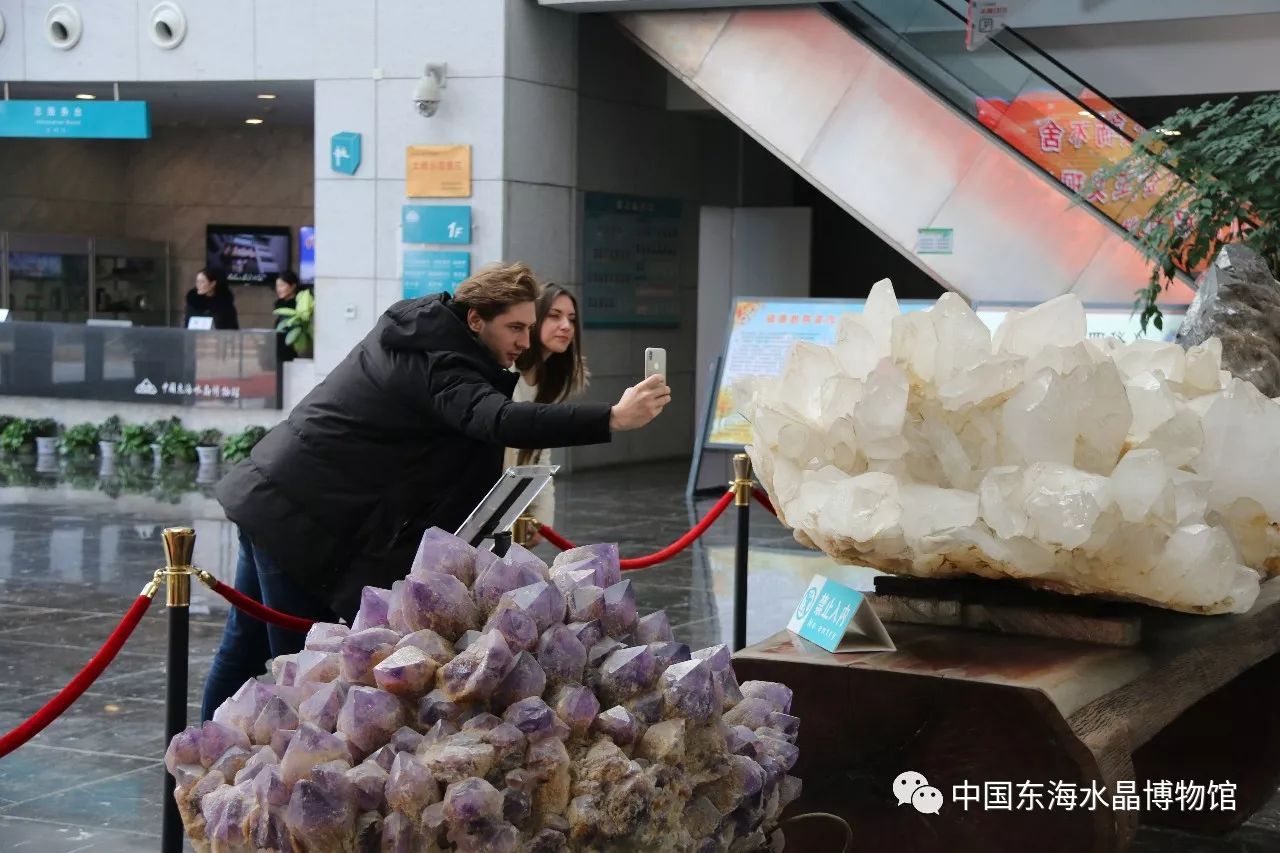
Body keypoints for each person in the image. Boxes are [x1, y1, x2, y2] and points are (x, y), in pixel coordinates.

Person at [201, 262, 670, 719]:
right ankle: (270, 787)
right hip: (296, 515)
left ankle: (185, 783)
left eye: (529, 328)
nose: (524, 342)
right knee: (306, 672)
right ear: (475, 318)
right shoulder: (441, 359)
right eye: (515, 328)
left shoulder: (430, 340)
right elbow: (497, 420)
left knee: (244, 648)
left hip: (276, 495)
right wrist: (612, 417)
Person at [503, 283, 588, 543]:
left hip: (512, 504)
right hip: (487, 505)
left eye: (571, 319)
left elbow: (540, 454)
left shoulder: (550, 381)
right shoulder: (506, 374)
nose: (566, 326)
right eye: (555, 316)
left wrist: (542, 522)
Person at [273, 271, 301, 362]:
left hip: (289, 351)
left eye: (282, 285)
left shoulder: (299, 306)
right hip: (278, 349)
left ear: (293, 286)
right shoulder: (280, 305)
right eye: (277, 286)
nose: (279, 289)